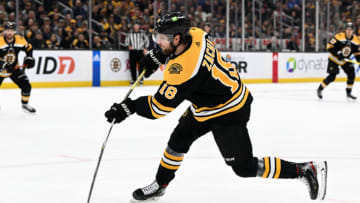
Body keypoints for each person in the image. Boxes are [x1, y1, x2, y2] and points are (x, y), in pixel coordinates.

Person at [105, 12, 328, 202]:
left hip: (229, 110)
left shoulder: (183, 69)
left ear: (177, 38)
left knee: (243, 167)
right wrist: (157, 56)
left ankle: (305, 170)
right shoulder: (196, 34)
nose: (158, 42)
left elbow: (158, 108)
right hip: (207, 104)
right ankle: (160, 185)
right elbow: (176, 54)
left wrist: (129, 107)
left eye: (162, 38)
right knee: (178, 141)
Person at [317, 22, 360, 100]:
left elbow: (356, 53)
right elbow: (329, 46)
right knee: (332, 77)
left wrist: (359, 60)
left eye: (350, 30)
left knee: (351, 74)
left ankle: (348, 93)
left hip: (344, 60)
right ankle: (320, 89)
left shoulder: (356, 40)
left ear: (353, 31)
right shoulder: (339, 37)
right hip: (334, 58)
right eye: (347, 29)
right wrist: (337, 54)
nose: (349, 31)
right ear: (345, 30)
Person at [0, 21, 36, 113]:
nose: (9, 33)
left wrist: (29, 57)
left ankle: (25, 104)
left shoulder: (20, 39)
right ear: (4, 31)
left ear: (15, 31)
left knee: (26, 85)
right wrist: (4, 65)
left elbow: (29, 48)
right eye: (7, 30)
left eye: (11, 30)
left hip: (14, 69)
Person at [125, 21, 149, 85]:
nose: (136, 27)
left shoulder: (142, 33)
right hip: (133, 51)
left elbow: (147, 40)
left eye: (137, 25)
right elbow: (126, 41)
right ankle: (134, 79)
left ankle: (140, 79)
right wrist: (128, 45)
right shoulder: (130, 33)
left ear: (139, 26)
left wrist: (145, 48)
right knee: (132, 66)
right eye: (135, 25)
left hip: (140, 51)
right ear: (133, 26)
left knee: (141, 65)